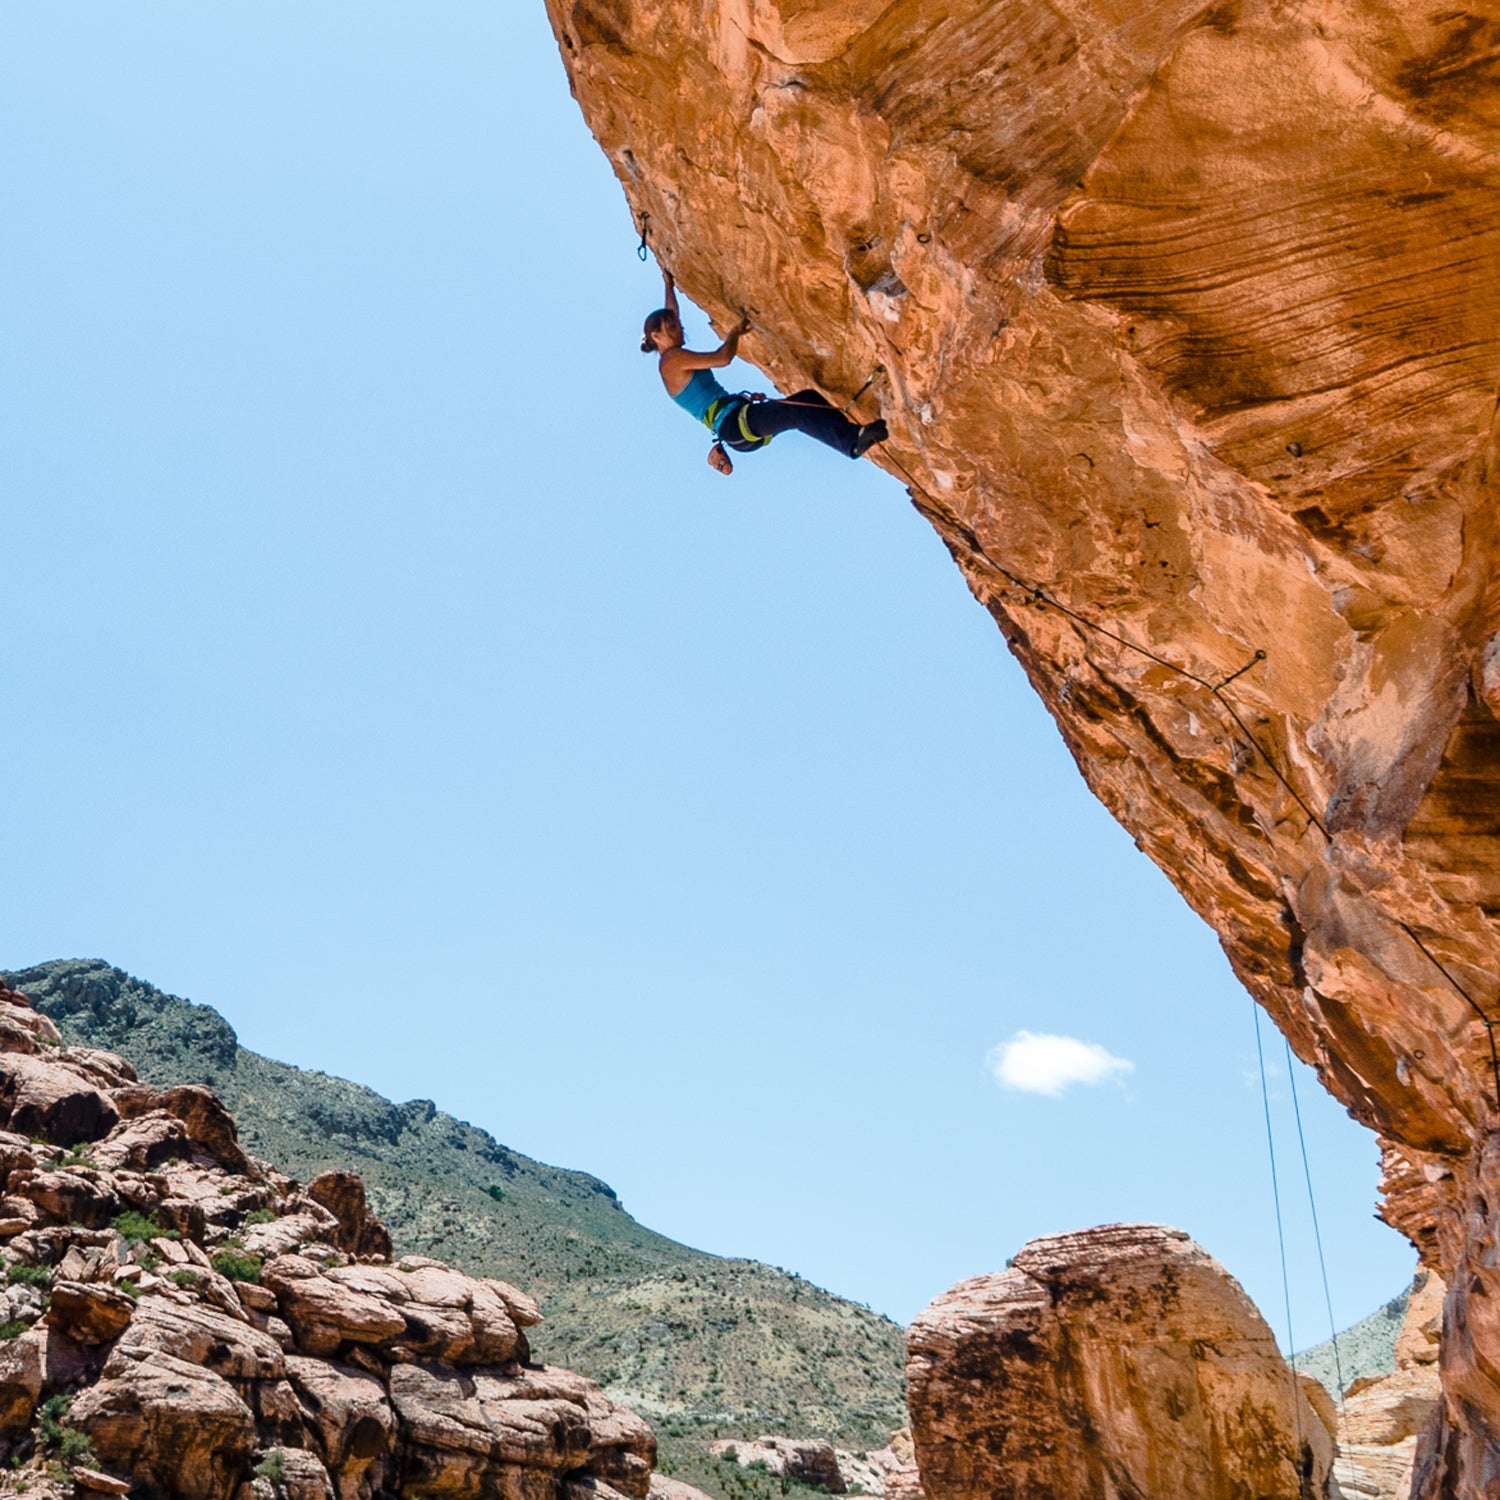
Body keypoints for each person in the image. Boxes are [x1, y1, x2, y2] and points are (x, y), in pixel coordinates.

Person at [642, 269, 887, 475]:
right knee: (798, 412)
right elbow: (723, 358)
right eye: (672, 328)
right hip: (733, 424)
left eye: (677, 325)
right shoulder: (671, 360)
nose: (680, 330)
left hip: (737, 420)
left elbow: (671, 313)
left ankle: (856, 435)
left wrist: (669, 285)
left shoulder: (672, 357)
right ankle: (852, 443)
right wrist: (734, 333)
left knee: (808, 400)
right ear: (656, 337)